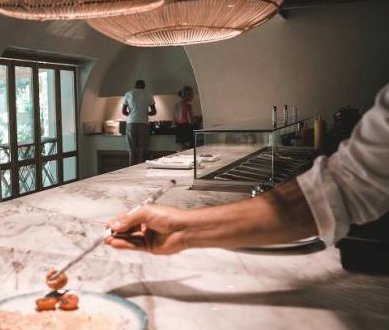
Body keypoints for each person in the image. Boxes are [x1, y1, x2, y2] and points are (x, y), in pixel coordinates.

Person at [105, 84, 389, 254]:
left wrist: (181, 230)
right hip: (150, 127)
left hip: (137, 126)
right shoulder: (156, 99)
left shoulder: (134, 95)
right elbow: (348, 184)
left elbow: (346, 185)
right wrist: (179, 231)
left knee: (135, 154)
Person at [123, 79, 156, 165]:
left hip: (131, 123)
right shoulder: (148, 94)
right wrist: (146, 113)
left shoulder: (128, 94)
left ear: (135, 86)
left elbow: (123, 111)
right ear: (144, 86)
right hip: (143, 123)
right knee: (142, 151)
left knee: (132, 150)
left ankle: (130, 170)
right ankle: (140, 170)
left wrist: (131, 114)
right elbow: (154, 112)